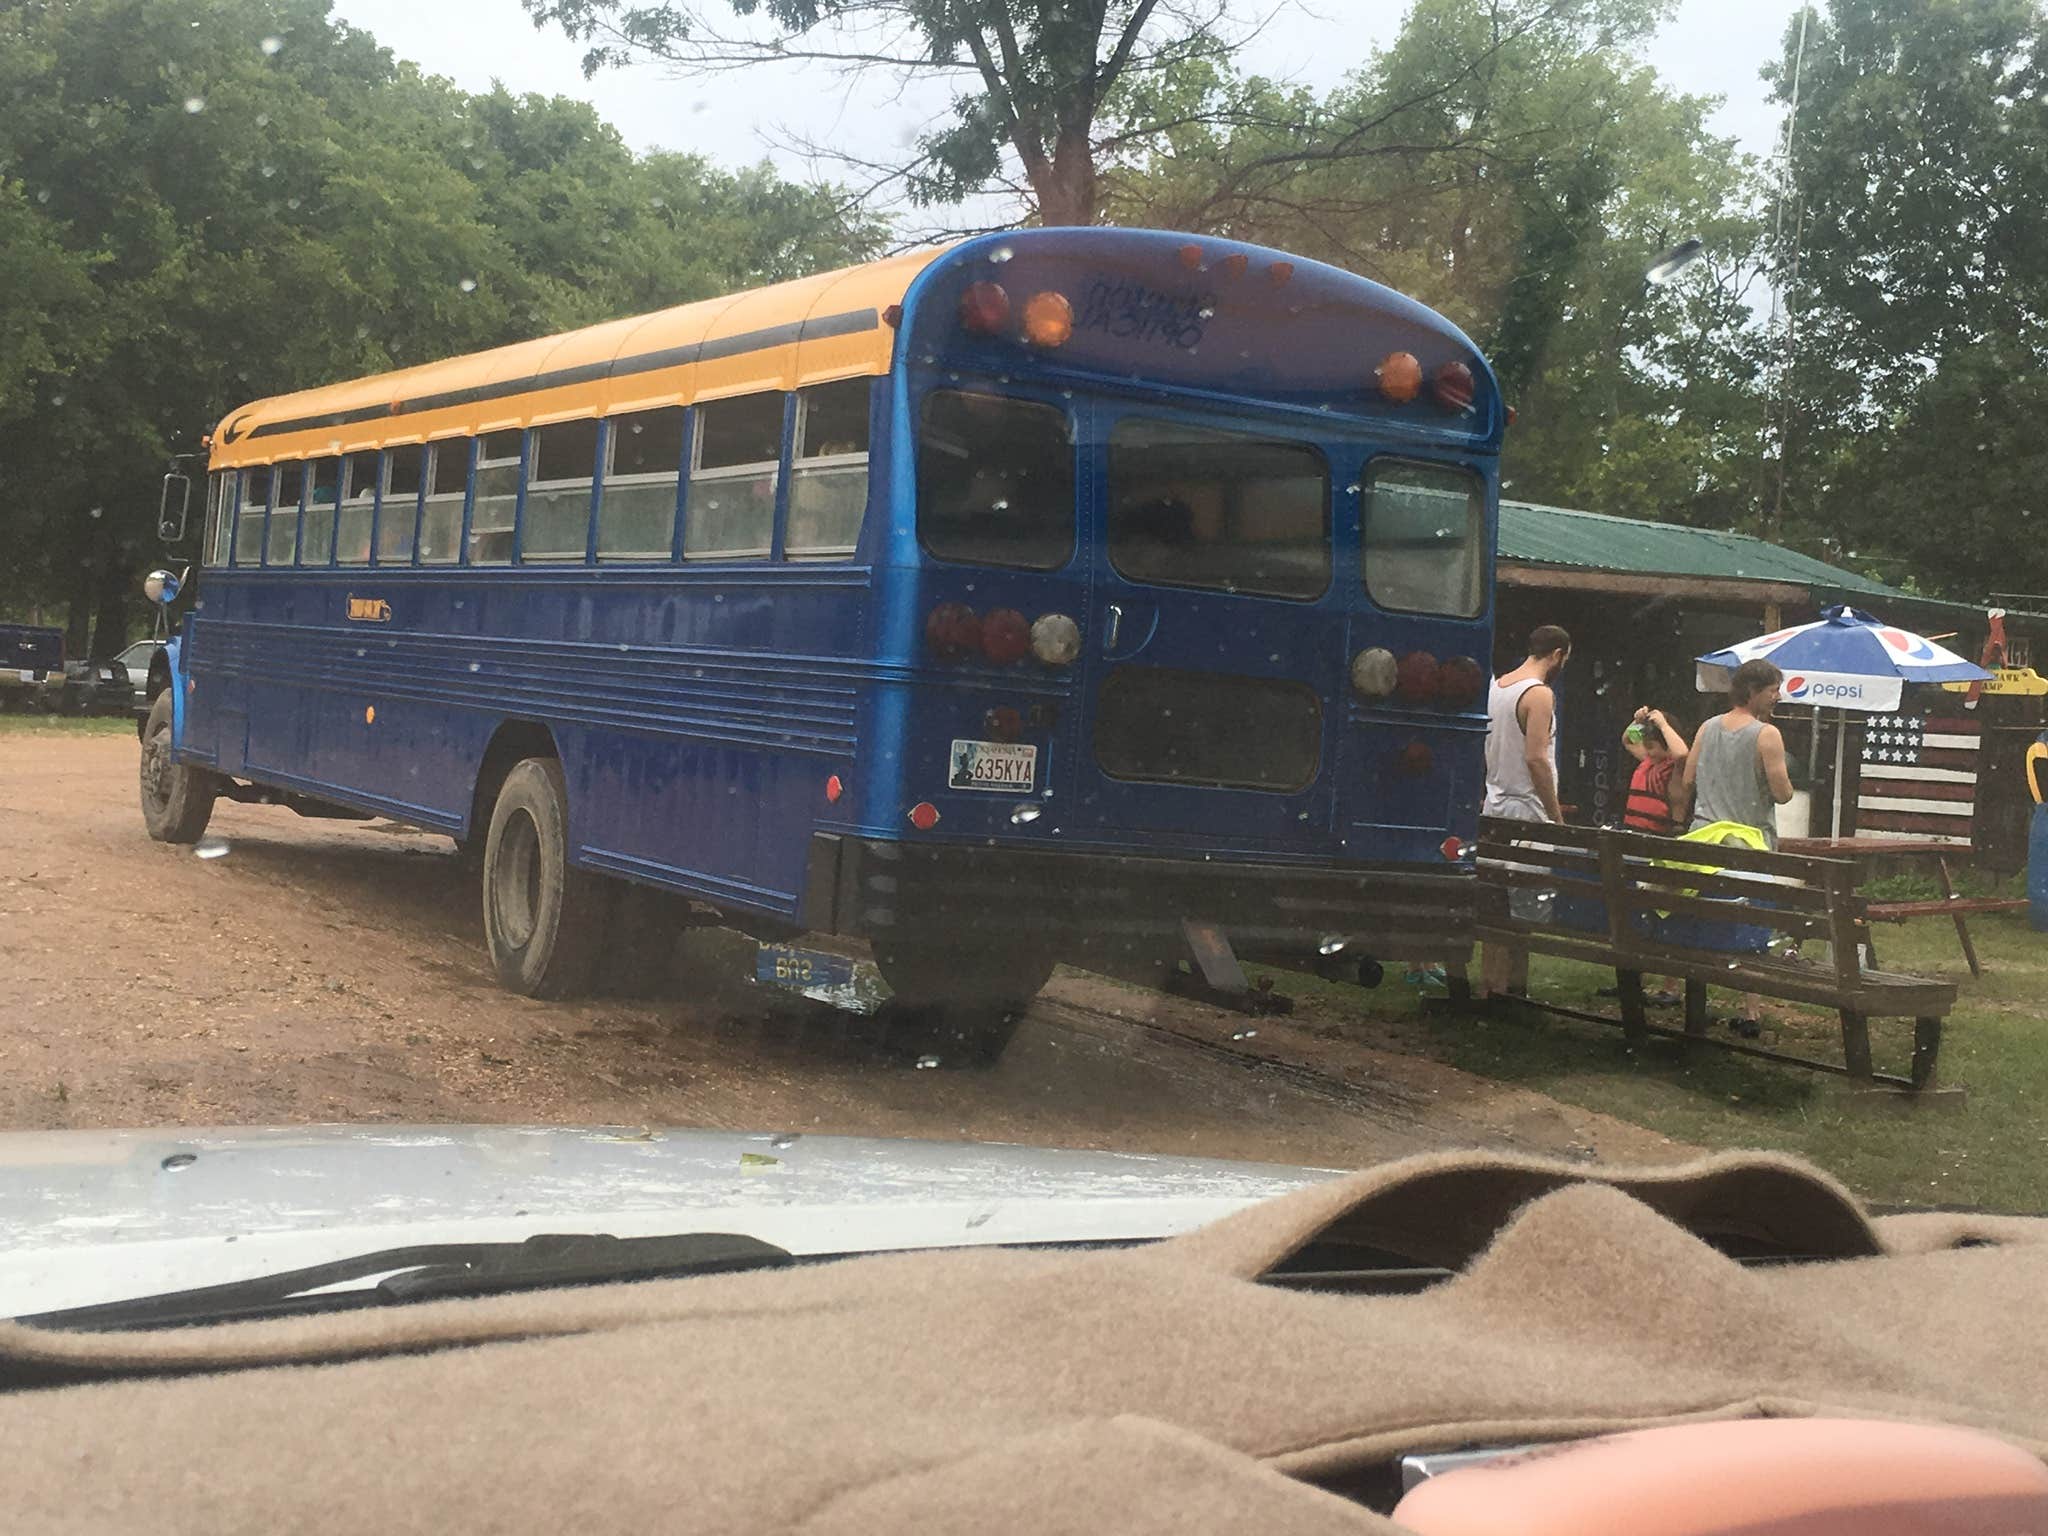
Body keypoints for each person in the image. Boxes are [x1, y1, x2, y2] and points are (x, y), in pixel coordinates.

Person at [1671, 658, 1797, 1034]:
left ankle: (1697, 1005)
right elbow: (1783, 793)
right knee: (1751, 930)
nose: (1778, 696)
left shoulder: (1707, 727)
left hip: (1705, 844)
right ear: (1753, 692)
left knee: (1703, 920)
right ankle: (1751, 1012)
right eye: (1773, 690)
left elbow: (1688, 780)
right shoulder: (1767, 735)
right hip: (1749, 847)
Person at [1480, 624, 1571, 998]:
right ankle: (1514, 990)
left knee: (1493, 908)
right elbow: (1536, 758)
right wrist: (1555, 816)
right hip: (1527, 812)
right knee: (1523, 912)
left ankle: (1490, 985)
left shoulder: (1497, 687)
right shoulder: (1539, 694)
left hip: (1494, 806)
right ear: (1557, 654)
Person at [1618, 705, 1689, 1007]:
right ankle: (1636, 978)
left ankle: (1670, 985)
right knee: (1638, 910)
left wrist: (1663, 723)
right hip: (1635, 840)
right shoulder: (1647, 760)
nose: (1646, 748)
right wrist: (1637, 722)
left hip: (1659, 841)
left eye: (1652, 743)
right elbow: (1627, 739)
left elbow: (1682, 752)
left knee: (1664, 911)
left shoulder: (1674, 767)